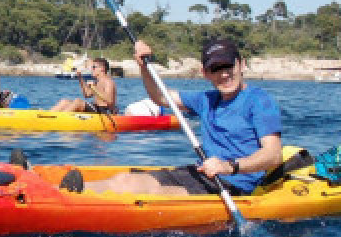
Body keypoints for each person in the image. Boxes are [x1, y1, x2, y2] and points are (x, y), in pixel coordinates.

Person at [66, 38, 282, 196]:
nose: (224, 74)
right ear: (205, 73)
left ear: (241, 64)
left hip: (233, 184)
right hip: (201, 173)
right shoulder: (206, 99)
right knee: (126, 180)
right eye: (216, 69)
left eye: (228, 66)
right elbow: (160, 96)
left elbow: (273, 155)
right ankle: (67, 193)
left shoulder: (259, 101)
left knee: (158, 193)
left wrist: (229, 166)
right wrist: (144, 66)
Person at [51, 57, 117, 113]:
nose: (91, 70)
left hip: (105, 111)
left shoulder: (108, 82)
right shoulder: (97, 82)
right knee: (64, 101)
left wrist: (94, 88)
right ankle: (48, 117)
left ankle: (60, 119)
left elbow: (110, 101)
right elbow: (87, 95)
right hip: (96, 108)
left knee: (78, 102)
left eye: (94, 67)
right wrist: (80, 78)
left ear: (102, 69)